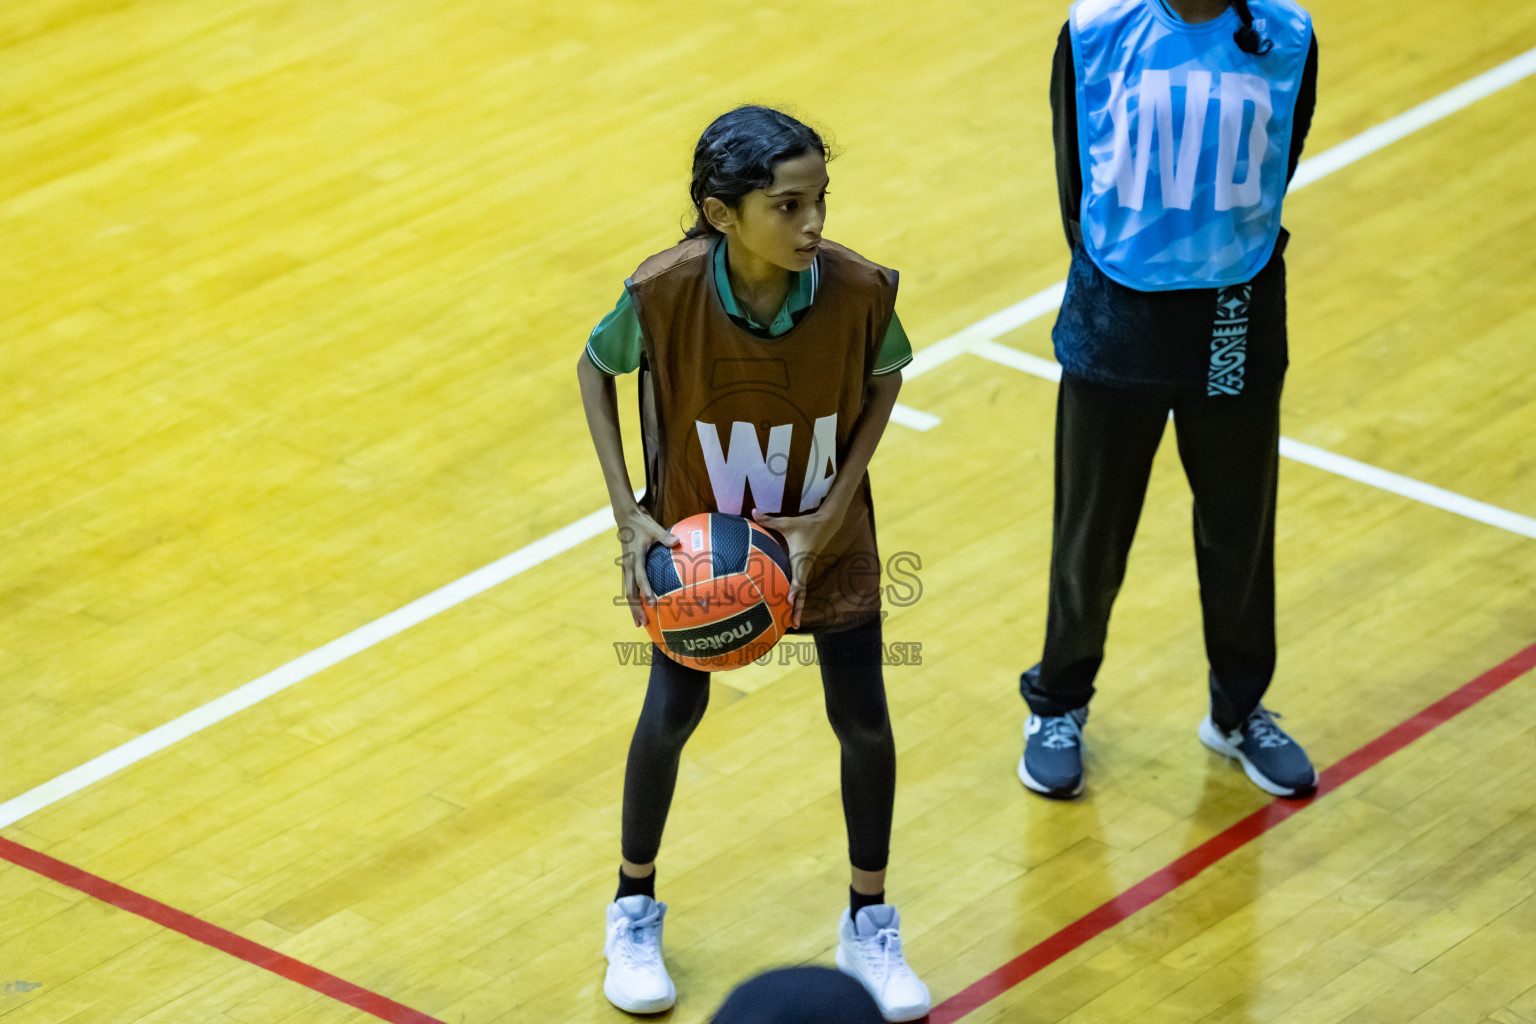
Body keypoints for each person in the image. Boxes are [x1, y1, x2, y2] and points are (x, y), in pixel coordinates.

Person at [576, 105, 929, 1022]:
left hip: (828, 542)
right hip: (706, 554)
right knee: (670, 713)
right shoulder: (664, 290)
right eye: (787, 204)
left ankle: (868, 920)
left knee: (865, 723)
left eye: (820, 200)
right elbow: (593, 367)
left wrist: (834, 508)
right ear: (721, 212)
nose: (812, 223)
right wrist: (628, 513)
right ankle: (632, 906)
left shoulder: (855, 288)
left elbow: (887, 377)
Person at [1017, 0, 1321, 801]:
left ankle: (1240, 709)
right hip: (1117, 318)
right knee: (1092, 531)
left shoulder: (1288, 34)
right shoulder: (1096, 28)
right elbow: (1072, 172)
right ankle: (1059, 703)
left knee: (1239, 526)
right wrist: (1123, 269)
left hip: (1235, 315)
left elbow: (1282, 157)